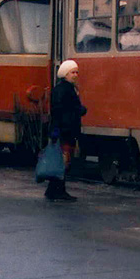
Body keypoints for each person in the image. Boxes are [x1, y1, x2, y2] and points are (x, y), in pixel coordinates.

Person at [47, 59, 87, 201]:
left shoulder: (63, 88)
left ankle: (52, 190)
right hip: (65, 131)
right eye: (72, 72)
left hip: (62, 130)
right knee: (64, 161)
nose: (75, 75)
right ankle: (59, 191)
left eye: (76, 72)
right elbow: (62, 110)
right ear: (65, 73)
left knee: (61, 161)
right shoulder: (66, 90)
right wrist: (81, 110)